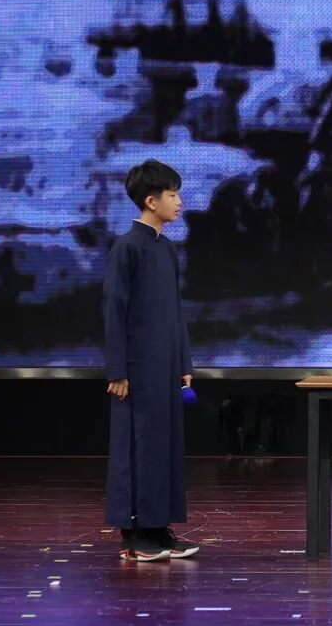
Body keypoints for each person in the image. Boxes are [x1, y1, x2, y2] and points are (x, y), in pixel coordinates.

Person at [103, 159, 199, 562]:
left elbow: (175, 311)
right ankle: (134, 534)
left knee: (164, 447)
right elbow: (114, 311)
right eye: (172, 194)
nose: (179, 202)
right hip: (137, 369)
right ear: (150, 200)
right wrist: (117, 370)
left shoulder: (167, 249)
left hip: (165, 367)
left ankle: (159, 528)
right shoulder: (127, 248)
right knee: (138, 448)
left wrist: (184, 363)